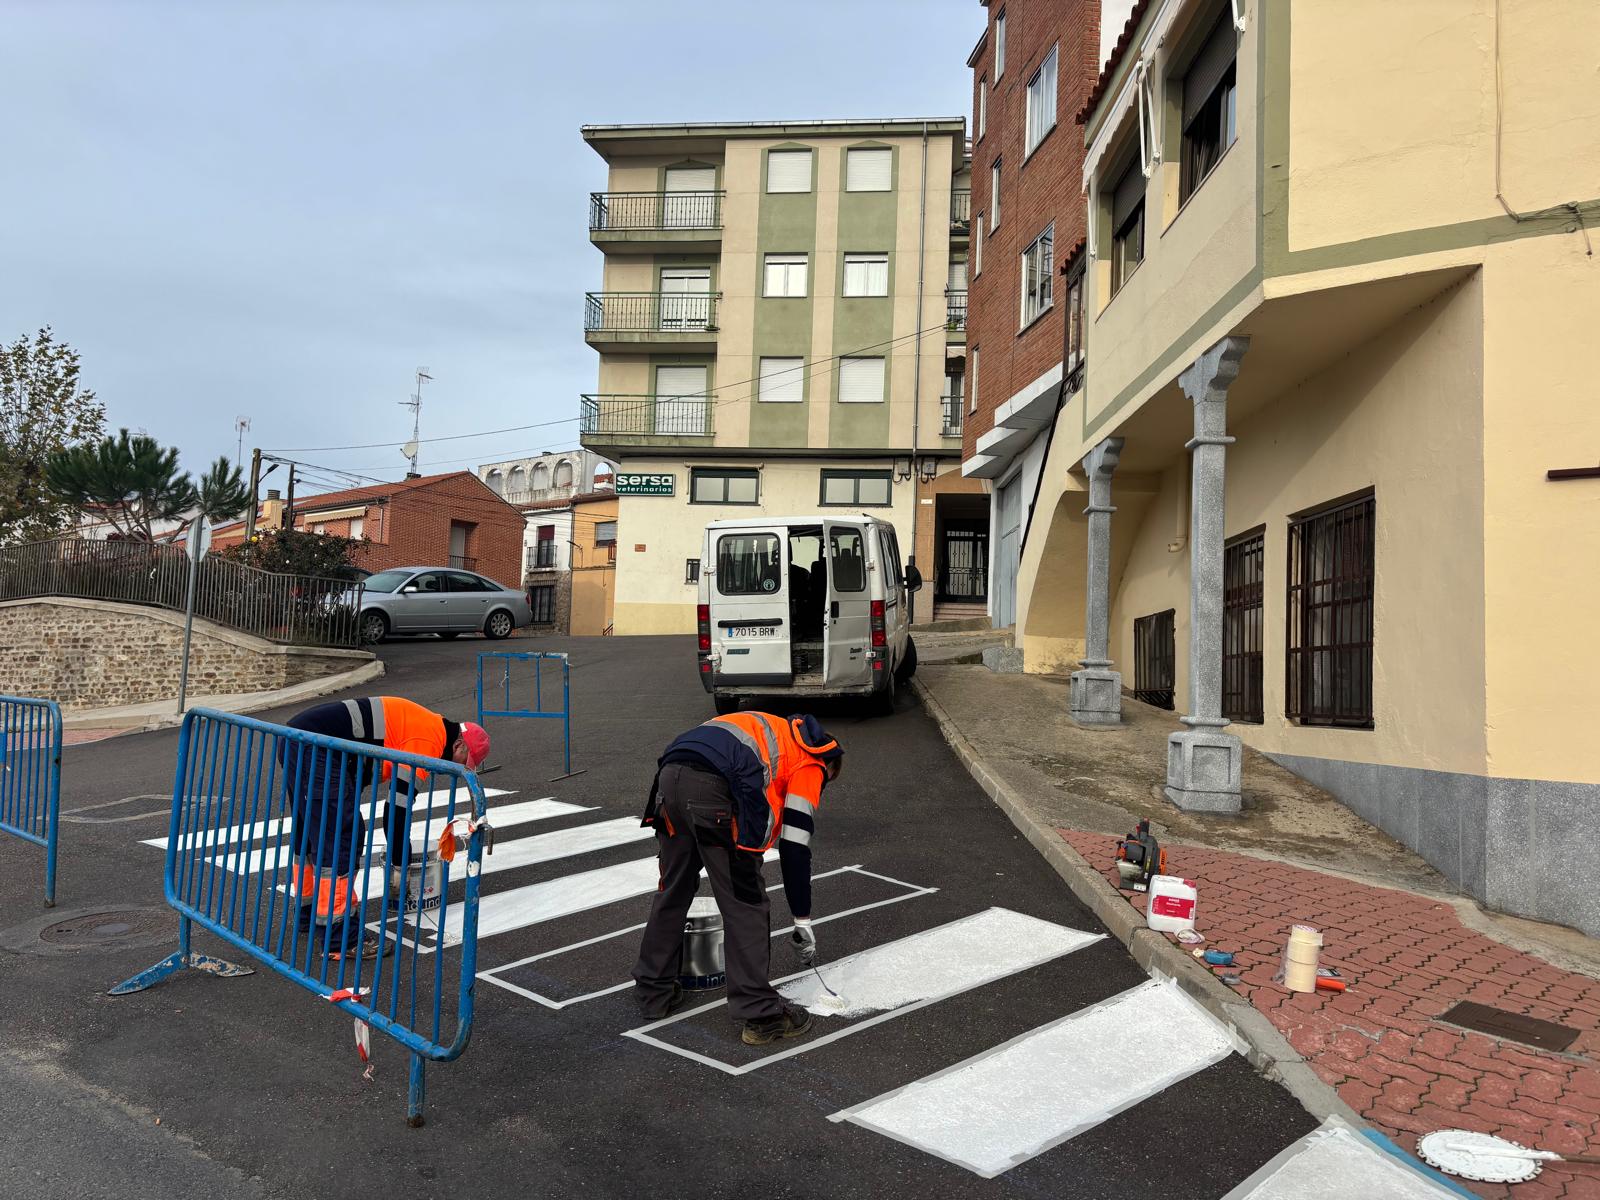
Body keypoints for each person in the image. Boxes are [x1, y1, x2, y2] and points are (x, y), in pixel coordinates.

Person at [632, 711, 843, 1045]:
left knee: (674, 887)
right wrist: (802, 919)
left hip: (668, 780)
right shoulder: (812, 763)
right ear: (828, 765)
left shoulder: (768, 726)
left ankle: (653, 991)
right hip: (713, 794)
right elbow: (795, 845)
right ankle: (761, 1015)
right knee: (745, 903)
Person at [279, 696, 490, 959]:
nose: (455, 771)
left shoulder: (426, 725)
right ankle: (341, 939)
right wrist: (402, 866)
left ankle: (309, 915)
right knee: (343, 836)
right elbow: (396, 810)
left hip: (296, 740)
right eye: (462, 763)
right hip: (317, 748)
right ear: (458, 744)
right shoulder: (428, 741)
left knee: (312, 833)